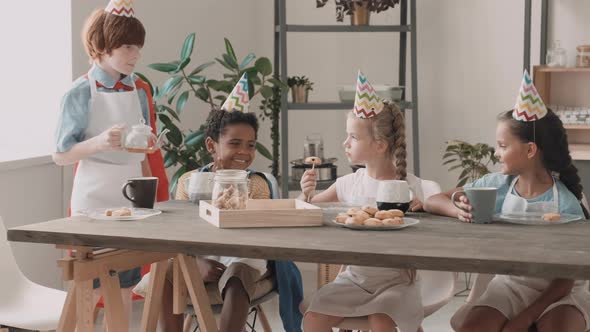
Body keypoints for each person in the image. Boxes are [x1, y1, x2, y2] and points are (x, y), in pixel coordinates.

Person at [424, 70, 590, 332]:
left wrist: (525, 317)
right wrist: (457, 208)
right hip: (512, 285)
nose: (496, 152)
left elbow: (567, 280)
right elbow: (433, 200)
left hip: (560, 293)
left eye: (502, 145)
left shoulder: (567, 204)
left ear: (529, 150)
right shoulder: (495, 186)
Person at [52, 0, 168, 322]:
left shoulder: (139, 91)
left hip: (130, 198)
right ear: (102, 46)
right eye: (127, 46)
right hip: (92, 199)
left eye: (138, 47)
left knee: (125, 285)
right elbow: (60, 155)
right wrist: (99, 142)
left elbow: (143, 155)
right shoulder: (79, 93)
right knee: (89, 285)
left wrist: (151, 194)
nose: (135, 55)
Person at [300, 71, 425, 332]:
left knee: (380, 321)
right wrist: (305, 194)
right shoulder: (348, 183)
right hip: (354, 281)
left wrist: (421, 207)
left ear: (379, 145)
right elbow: (308, 210)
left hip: (397, 284)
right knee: (312, 318)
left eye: (353, 137)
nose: (345, 143)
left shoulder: (408, 188)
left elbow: (425, 230)